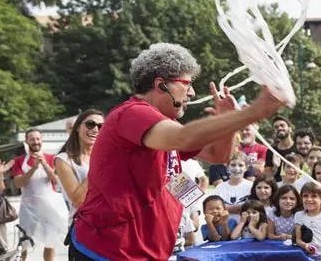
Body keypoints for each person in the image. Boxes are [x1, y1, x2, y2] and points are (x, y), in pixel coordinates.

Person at [69, 43, 284, 260]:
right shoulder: (133, 113)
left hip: (139, 252)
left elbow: (218, 155)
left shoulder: (162, 123)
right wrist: (253, 112)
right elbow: (184, 138)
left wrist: (228, 124)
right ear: (161, 85)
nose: (191, 92)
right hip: (106, 251)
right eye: (187, 84)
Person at [12, 128, 69, 261]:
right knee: (24, 242)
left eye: (37, 139)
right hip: (28, 207)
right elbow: (19, 183)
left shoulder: (51, 158)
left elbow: (56, 180)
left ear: (41, 140)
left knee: (50, 242)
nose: (35, 142)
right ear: (26, 141)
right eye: (32, 139)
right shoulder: (20, 161)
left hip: (49, 206)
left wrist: (44, 164)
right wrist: (34, 168)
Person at [55, 109, 104, 225]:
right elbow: (78, 200)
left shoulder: (109, 156)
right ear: (77, 127)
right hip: (84, 227)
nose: (95, 129)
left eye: (101, 126)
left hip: (111, 225)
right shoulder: (64, 159)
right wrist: (99, 166)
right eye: (90, 124)